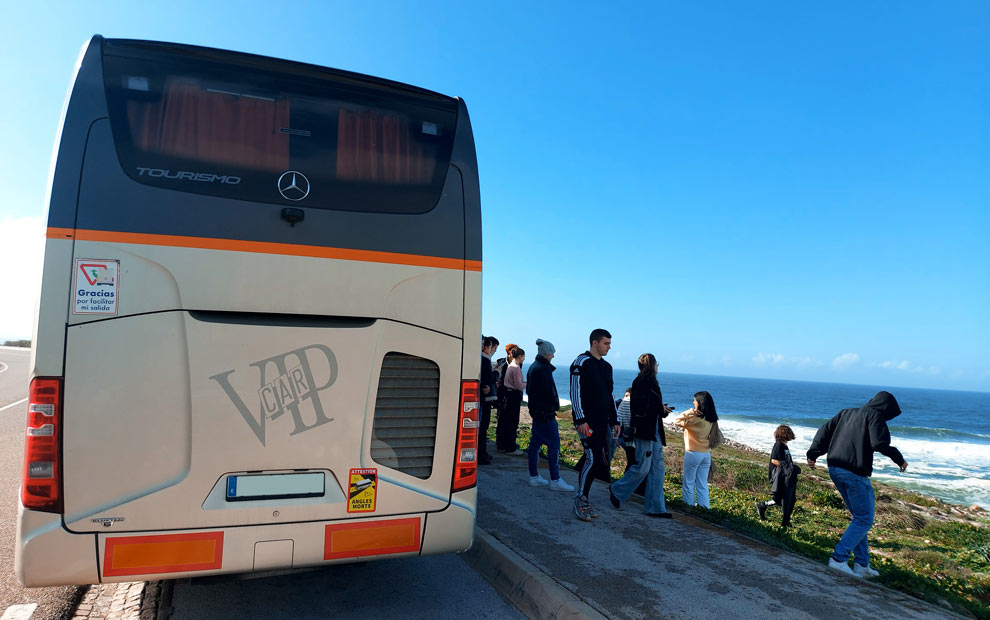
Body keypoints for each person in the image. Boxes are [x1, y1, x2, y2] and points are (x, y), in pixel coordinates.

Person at [807, 391, 908, 579]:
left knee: (859, 518)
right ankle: (838, 559)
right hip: (854, 472)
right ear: (886, 409)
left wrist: (813, 454)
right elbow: (879, 443)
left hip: (835, 468)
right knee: (864, 518)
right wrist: (899, 459)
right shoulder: (875, 416)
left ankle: (862, 565)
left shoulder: (846, 413)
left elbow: (824, 431)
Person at [608, 354, 673, 518]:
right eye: (656, 363)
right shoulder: (641, 383)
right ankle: (617, 489)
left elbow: (651, 407)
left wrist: (661, 409)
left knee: (658, 468)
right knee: (643, 467)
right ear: (651, 365)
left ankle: (656, 508)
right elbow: (640, 409)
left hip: (654, 430)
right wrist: (660, 409)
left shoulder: (651, 383)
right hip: (645, 430)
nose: (658, 366)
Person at [570, 328, 619, 522]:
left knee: (598, 460)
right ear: (594, 343)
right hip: (586, 422)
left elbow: (609, 396)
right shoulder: (581, 362)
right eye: (606, 343)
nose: (609, 347)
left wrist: (614, 421)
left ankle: (585, 497)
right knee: (591, 458)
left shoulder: (607, 367)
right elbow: (575, 394)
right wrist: (580, 420)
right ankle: (580, 499)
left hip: (602, 422)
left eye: (609, 344)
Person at [524, 339, 574, 491]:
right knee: (554, 444)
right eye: (552, 352)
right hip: (545, 414)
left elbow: (531, 391)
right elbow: (548, 393)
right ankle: (555, 479)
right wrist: (553, 408)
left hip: (537, 413)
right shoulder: (543, 368)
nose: (553, 355)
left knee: (535, 444)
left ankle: (534, 476)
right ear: (547, 352)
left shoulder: (534, 367)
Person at [673, 391, 717, 509]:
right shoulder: (711, 419)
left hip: (693, 452)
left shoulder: (695, 419)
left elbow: (677, 421)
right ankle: (704, 508)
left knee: (688, 481)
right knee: (702, 483)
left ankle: (688, 507)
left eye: (695, 400)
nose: (693, 402)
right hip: (706, 454)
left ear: (700, 403)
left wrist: (690, 411)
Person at [756, 425, 800, 527]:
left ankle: (764, 506)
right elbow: (773, 460)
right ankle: (784, 521)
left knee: (790, 499)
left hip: (787, 476)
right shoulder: (778, 445)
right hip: (781, 476)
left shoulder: (785, 446)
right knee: (784, 498)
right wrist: (785, 466)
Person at [496, 347, 526, 454]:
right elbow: (519, 385)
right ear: (519, 356)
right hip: (513, 395)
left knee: (505, 420)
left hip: (507, 395)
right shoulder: (516, 368)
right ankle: (511, 446)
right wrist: (528, 383)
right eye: (523, 357)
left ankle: (504, 445)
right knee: (512, 422)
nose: (524, 359)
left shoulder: (510, 366)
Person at [478, 335, 499, 465]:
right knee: (482, 428)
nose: (492, 350)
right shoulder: (484, 360)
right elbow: (488, 378)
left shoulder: (483, 359)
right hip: (483, 398)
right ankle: (481, 455)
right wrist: (497, 372)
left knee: (483, 428)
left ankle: (483, 454)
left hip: (484, 397)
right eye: (491, 347)